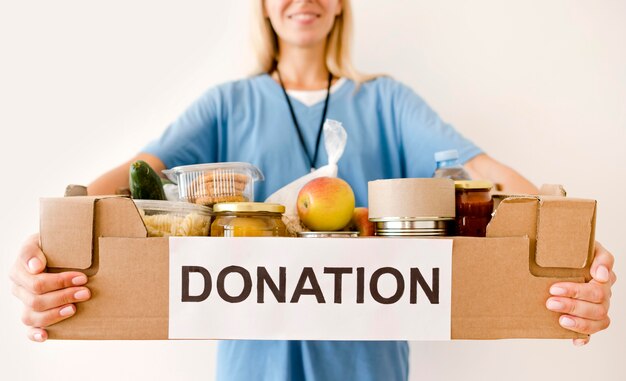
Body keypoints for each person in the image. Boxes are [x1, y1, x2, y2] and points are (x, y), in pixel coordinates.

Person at [10, 0, 616, 380]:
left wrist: (563, 242)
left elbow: (488, 173)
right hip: (252, 369)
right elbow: (135, 172)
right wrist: (55, 240)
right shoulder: (227, 104)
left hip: (368, 367)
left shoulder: (386, 100)